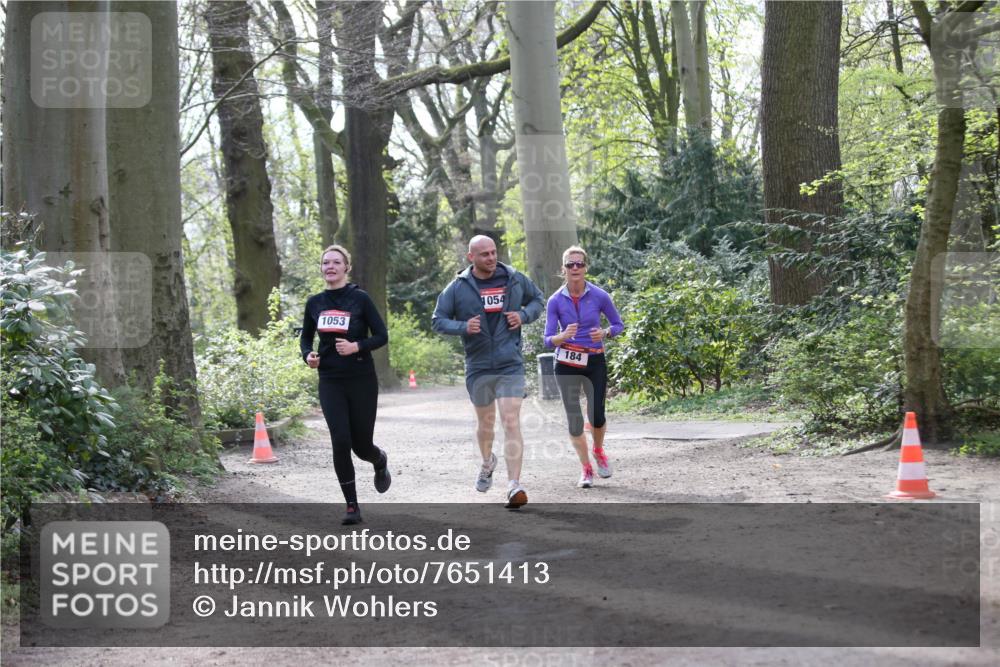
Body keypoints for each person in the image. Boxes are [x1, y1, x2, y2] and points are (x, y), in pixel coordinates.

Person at [432, 235, 544, 508]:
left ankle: (514, 485)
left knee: (510, 420)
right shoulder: (457, 288)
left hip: (509, 362)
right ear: (471, 257)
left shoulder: (514, 278)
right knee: (485, 424)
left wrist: (524, 315)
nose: (491, 258)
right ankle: (487, 462)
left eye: (493, 252)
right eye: (484, 254)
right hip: (479, 365)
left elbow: (538, 300)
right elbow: (438, 320)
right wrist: (462, 327)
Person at [300, 245, 390, 525]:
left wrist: (356, 346)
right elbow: (305, 338)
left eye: (336, 262)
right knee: (340, 440)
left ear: (346, 267)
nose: (330, 266)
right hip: (330, 379)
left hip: (361, 378)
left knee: (361, 446)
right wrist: (308, 356)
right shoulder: (314, 303)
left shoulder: (359, 299)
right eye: (325, 262)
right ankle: (352, 506)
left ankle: (379, 460)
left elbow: (382, 335)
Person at [544, 246, 624, 488]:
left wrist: (605, 332)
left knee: (596, 416)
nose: (575, 268)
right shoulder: (555, 301)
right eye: (570, 265)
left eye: (579, 264)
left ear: (586, 267)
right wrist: (562, 336)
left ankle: (598, 451)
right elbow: (548, 339)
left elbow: (618, 324)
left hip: (594, 360)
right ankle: (586, 469)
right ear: (563, 269)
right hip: (566, 363)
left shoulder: (600, 296)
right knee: (575, 420)